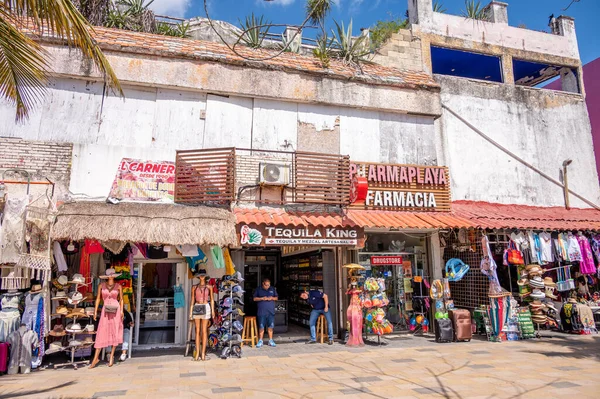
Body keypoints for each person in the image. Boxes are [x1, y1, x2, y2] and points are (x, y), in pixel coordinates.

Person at [90, 268, 124, 368]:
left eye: (112, 275)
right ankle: (96, 358)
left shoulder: (118, 286)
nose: (110, 277)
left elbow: (121, 299)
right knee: (102, 331)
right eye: (109, 275)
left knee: (114, 331)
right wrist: (95, 311)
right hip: (105, 310)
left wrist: (121, 310)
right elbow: (98, 299)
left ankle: (111, 357)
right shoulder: (101, 285)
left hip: (116, 310)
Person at [189, 269, 214, 361]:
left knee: (204, 331)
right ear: (198, 276)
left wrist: (212, 311)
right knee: (197, 331)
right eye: (201, 275)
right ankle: (198, 353)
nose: (202, 277)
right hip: (197, 306)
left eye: (203, 275)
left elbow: (211, 299)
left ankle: (203, 353)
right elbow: (192, 300)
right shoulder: (194, 287)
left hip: (206, 306)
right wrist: (190, 312)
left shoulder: (209, 287)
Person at [253, 278, 278, 348]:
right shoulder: (258, 289)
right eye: (266, 285)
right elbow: (254, 299)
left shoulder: (272, 289)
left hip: (271, 311)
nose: (267, 286)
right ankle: (260, 340)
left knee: (271, 326)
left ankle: (271, 340)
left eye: (268, 285)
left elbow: (276, 298)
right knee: (261, 326)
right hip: (262, 311)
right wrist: (262, 298)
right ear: (263, 284)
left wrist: (271, 298)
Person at [346, 279, 364, 347]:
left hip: (356, 307)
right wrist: (349, 286)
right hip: (353, 306)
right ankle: (354, 338)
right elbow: (347, 292)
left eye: (354, 285)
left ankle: (357, 339)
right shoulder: (352, 291)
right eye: (353, 285)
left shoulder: (357, 291)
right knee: (353, 323)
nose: (354, 287)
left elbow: (361, 291)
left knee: (357, 323)